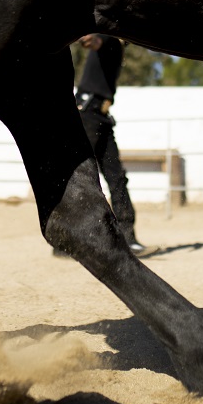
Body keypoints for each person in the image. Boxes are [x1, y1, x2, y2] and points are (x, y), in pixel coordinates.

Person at [71, 33, 148, 255]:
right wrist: (86, 38)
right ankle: (72, 237)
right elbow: (93, 41)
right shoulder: (109, 39)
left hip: (100, 116)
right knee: (85, 176)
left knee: (116, 177)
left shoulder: (117, 46)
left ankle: (127, 238)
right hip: (89, 115)